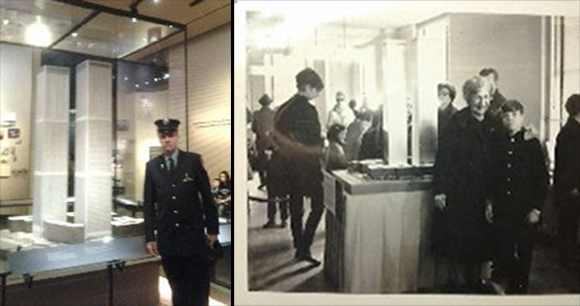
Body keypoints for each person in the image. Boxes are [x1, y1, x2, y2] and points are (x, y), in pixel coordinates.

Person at [143, 118, 218, 306]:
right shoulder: (152, 167)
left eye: (171, 135)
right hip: (169, 240)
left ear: (177, 136)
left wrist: (213, 229)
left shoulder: (192, 161)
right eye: (163, 136)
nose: (167, 139)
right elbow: (149, 204)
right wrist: (149, 236)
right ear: (159, 138)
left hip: (193, 238)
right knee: (178, 290)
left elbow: (208, 198)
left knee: (199, 291)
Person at [432, 76, 495, 293]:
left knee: (480, 240)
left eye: (486, 97)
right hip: (459, 190)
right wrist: (440, 190)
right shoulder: (457, 121)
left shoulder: (492, 122)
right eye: (478, 97)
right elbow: (444, 157)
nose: (482, 102)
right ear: (468, 98)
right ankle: (457, 285)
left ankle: (476, 282)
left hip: (483, 192)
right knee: (458, 239)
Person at [489, 100, 549, 294]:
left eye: (514, 115)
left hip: (525, 209)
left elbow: (542, 179)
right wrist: (490, 202)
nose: (510, 119)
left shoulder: (531, 143)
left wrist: (537, 209)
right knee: (503, 251)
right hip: (503, 209)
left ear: (521, 116)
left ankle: (521, 290)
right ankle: (514, 283)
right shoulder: (497, 141)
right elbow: (492, 176)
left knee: (525, 252)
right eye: (506, 116)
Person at [270, 67, 325, 266]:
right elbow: (314, 142)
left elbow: (275, 138)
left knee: (296, 207)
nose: (318, 94)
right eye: (317, 89)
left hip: (287, 167)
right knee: (318, 205)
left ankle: (298, 246)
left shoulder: (284, 108)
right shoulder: (308, 111)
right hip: (306, 167)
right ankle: (304, 247)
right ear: (308, 87)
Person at [553, 93, 580, 273]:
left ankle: (568, 259)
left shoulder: (570, 129)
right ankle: (568, 261)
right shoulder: (572, 132)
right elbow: (570, 164)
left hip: (569, 187)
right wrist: (573, 187)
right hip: (572, 189)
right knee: (569, 227)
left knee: (568, 225)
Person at [252, 94, 276, 189]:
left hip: (260, 141)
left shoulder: (256, 114)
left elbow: (254, 128)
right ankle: (272, 180)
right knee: (272, 161)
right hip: (272, 141)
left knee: (261, 162)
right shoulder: (274, 114)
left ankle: (263, 181)